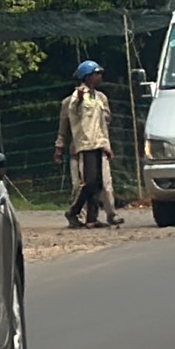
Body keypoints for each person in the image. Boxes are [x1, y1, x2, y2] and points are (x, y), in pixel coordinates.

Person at [55, 59, 119, 229]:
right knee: (88, 182)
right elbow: (71, 114)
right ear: (87, 76)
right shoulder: (75, 98)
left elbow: (103, 124)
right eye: (96, 73)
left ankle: (92, 218)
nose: (100, 76)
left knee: (98, 183)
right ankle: (73, 211)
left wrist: (107, 145)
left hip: (98, 143)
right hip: (84, 145)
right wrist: (59, 148)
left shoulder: (99, 98)